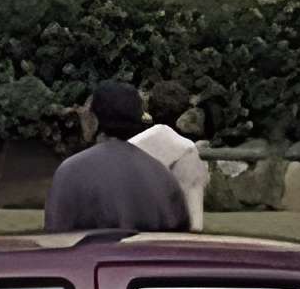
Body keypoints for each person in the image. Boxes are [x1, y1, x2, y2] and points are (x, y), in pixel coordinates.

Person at [45, 80, 190, 233]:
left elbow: (56, 239)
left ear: (94, 120)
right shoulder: (162, 175)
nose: (81, 114)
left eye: (86, 110)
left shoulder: (71, 172)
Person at [131, 80, 208, 232]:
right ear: (185, 111)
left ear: (149, 108)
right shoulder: (186, 149)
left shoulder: (130, 145)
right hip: (169, 238)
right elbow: (195, 222)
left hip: (132, 236)